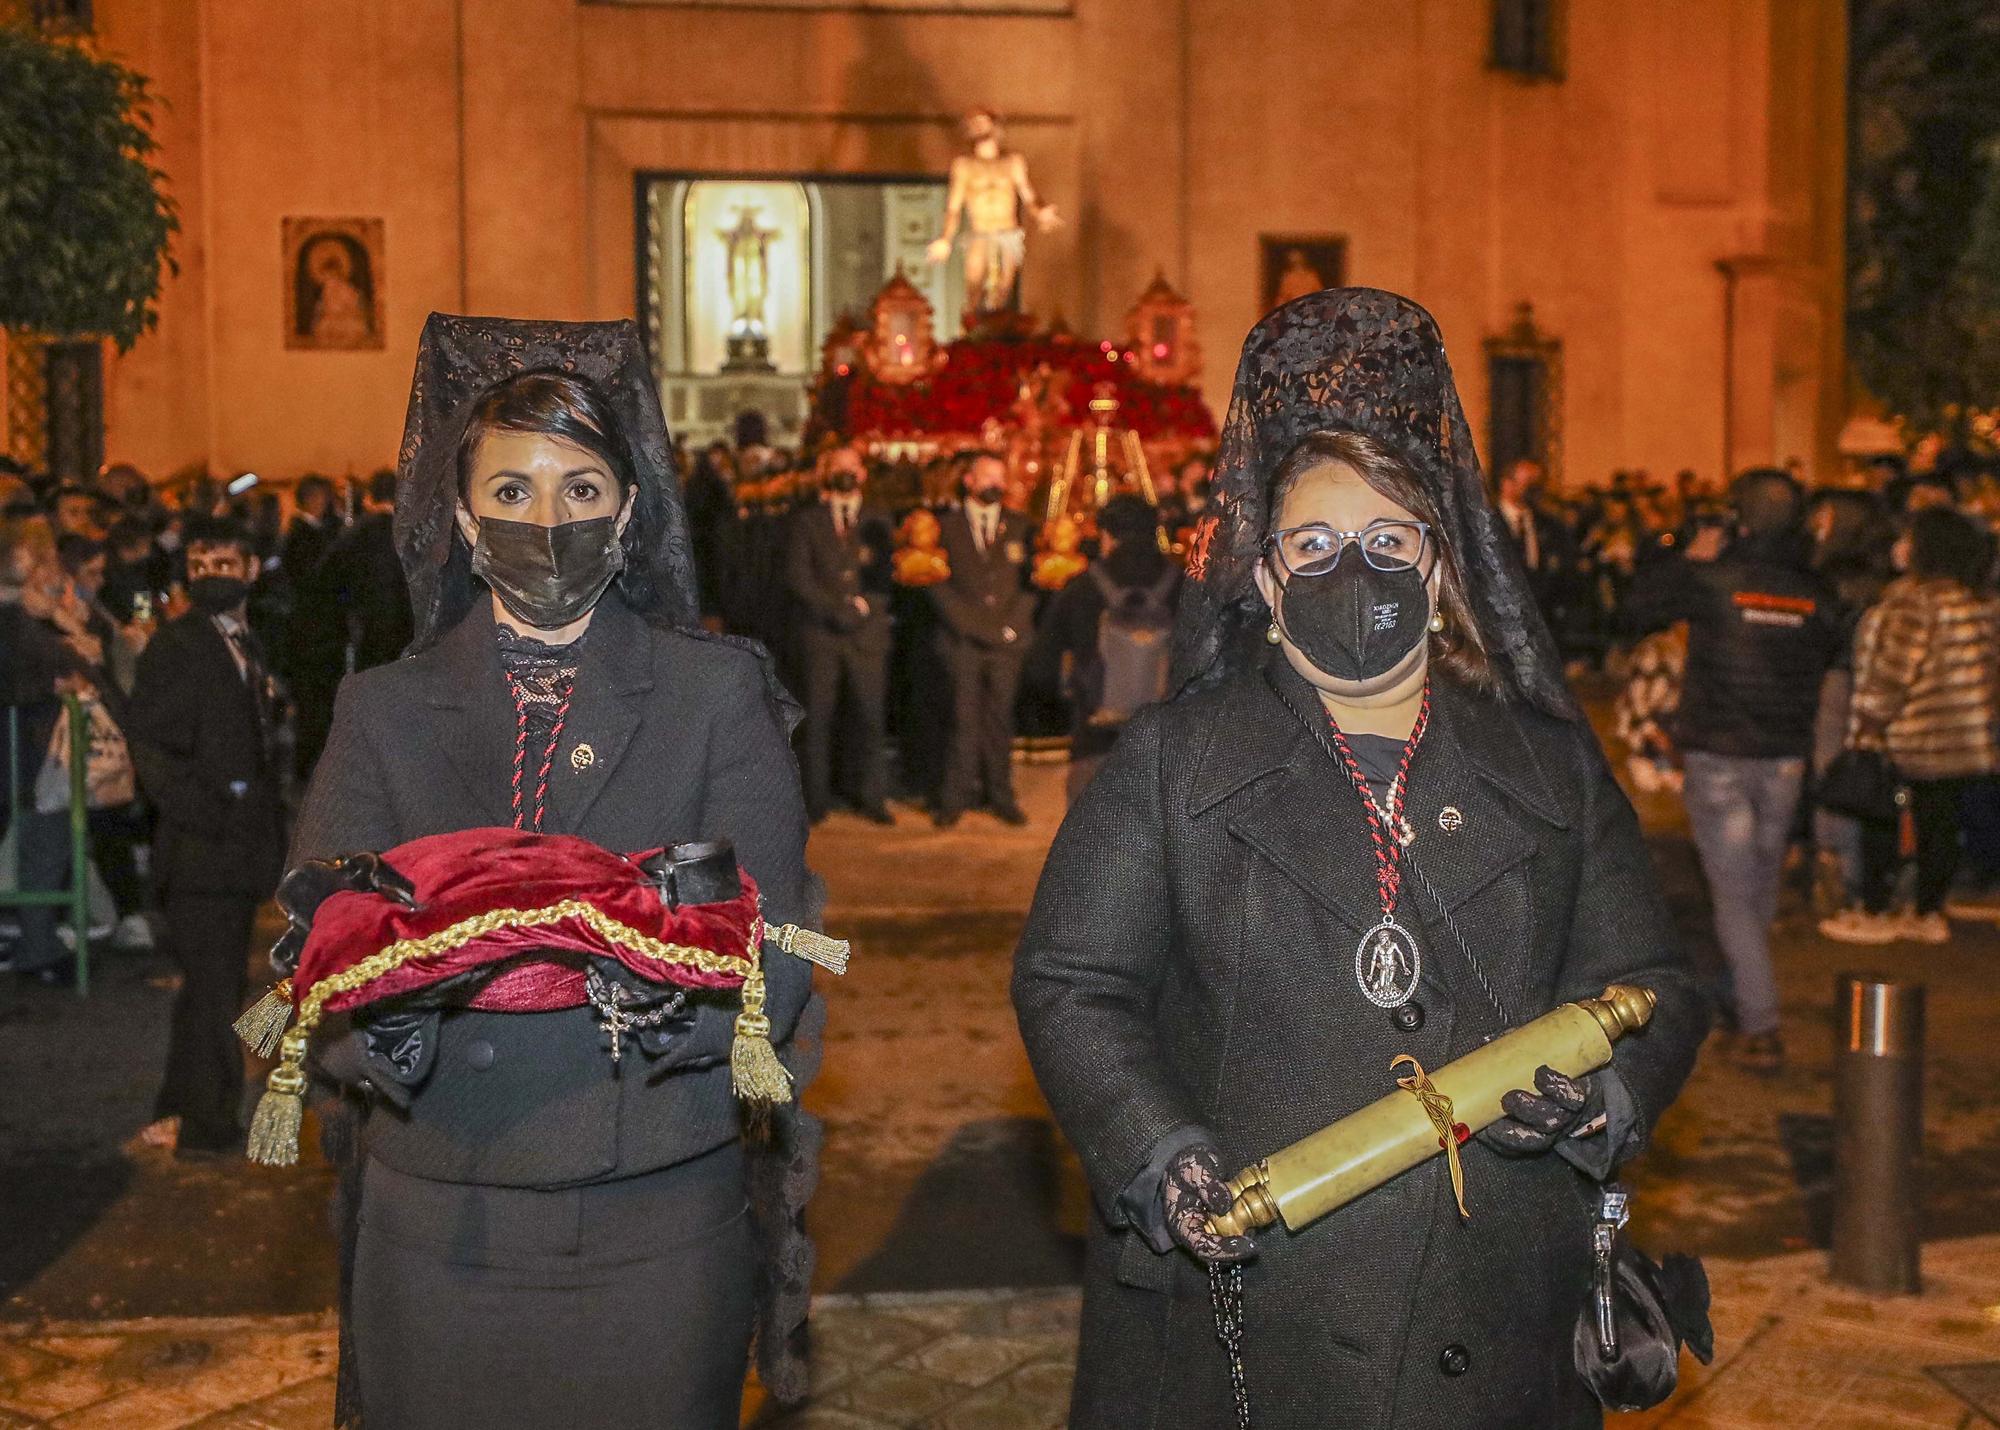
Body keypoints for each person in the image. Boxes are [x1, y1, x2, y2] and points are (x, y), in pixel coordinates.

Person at [1012, 289, 1707, 1429]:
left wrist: (1602, 1097)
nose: (1354, 570)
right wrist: (1160, 1148)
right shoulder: (1172, 761)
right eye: (1315, 544)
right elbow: (1071, 982)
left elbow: (1656, 982)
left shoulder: (1546, 767)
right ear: (1269, 580)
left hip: (1494, 1313)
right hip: (1249, 1303)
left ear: (1436, 574)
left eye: (1387, 542)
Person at [288, 315, 822, 1429]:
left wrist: (663, 992)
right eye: (514, 492)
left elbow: (772, 934)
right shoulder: (382, 709)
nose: (547, 520)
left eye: (580, 489)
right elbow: (317, 935)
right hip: (441, 1208)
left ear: (627, 509)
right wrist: (374, 1017)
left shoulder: (712, 693)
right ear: (464, 516)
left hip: (652, 1205)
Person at [1623, 470, 1844, 1072]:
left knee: (1734, 893)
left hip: (1720, 751)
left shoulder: (1713, 579)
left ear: (1740, 521)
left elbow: (1639, 605)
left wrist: (1690, 555)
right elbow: (1830, 655)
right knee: (1755, 889)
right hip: (1783, 758)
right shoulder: (1816, 590)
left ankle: (1760, 1021)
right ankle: (1744, 987)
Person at [124, 514, 284, 1152]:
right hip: (202, 850)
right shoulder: (179, 643)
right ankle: (205, 1124)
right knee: (214, 990)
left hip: (236, 847)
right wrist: (210, 813)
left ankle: (182, 1109)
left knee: (211, 986)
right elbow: (155, 750)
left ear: (250, 570)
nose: (210, 574)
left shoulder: (243, 639)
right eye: (200, 564)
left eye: (224, 563)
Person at [1821, 507, 2000, 945]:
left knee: (1881, 815)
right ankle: (1927, 911)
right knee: (1939, 824)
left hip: (1911, 734)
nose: (1899, 545)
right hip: (1960, 737)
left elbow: (1894, 672)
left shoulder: (1912, 603)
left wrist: (1869, 721)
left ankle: (1877, 910)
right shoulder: (1972, 601)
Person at [1028, 494, 1181, 801]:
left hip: (1095, 741)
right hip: (1168, 745)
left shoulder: (1082, 588)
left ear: (1107, 535)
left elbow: (1039, 668)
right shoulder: (1183, 585)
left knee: (1093, 840)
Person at [785, 446, 894, 825]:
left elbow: (887, 575)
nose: (846, 474)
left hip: (867, 635)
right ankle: (816, 800)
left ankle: (871, 796)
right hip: (821, 635)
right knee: (818, 718)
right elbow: (798, 577)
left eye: (853, 468)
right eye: (838, 467)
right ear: (826, 473)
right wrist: (836, 609)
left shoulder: (880, 520)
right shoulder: (807, 521)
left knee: (870, 717)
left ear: (863, 474)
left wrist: (865, 606)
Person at [932, 450, 1035, 827]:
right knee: (962, 719)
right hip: (963, 641)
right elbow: (936, 585)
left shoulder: (1021, 526)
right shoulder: (944, 527)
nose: (996, 484)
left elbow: (1032, 583)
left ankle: (1001, 796)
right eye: (987, 476)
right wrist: (974, 626)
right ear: (969, 481)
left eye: (1000, 477)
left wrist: (1013, 626)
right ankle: (954, 798)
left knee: (999, 719)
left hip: (1007, 643)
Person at [321, 468, 412, 673]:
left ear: (369, 497)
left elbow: (328, 579)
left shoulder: (352, 535)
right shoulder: (412, 535)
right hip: (404, 631)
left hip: (364, 630)